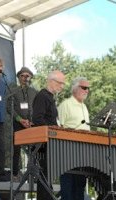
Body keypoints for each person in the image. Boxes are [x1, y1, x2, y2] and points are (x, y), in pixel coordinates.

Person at [32, 70, 65, 200]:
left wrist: (58, 128)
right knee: (44, 175)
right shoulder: (42, 96)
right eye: (60, 83)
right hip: (44, 143)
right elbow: (37, 119)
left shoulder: (51, 98)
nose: (62, 86)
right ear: (51, 81)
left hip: (51, 141)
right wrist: (53, 129)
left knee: (48, 176)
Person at [57, 77, 90, 200]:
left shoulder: (84, 107)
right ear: (75, 88)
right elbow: (58, 127)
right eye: (84, 87)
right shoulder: (65, 104)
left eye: (88, 88)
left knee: (80, 186)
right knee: (68, 186)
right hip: (67, 152)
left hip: (82, 151)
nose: (87, 91)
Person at [6, 67, 37, 180]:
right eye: (22, 76)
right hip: (18, 123)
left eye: (27, 76)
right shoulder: (13, 91)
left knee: (34, 149)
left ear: (30, 78)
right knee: (16, 149)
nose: (25, 78)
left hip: (32, 124)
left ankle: (32, 173)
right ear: (19, 78)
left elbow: (37, 108)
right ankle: (15, 173)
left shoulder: (34, 92)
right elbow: (9, 107)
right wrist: (20, 119)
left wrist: (31, 121)